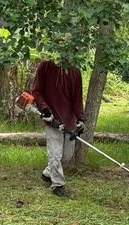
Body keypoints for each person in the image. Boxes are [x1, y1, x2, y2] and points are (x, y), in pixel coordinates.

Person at [31, 60, 86, 197]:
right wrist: (45, 109)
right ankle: (58, 185)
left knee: (66, 156)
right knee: (55, 155)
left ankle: (47, 173)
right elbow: (36, 91)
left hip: (69, 120)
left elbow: (77, 99)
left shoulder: (75, 71)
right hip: (52, 119)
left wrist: (80, 118)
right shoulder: (45, 66)